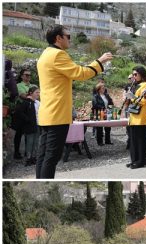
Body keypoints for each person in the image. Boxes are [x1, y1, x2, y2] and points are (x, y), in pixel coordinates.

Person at [36, 25, 112, 178]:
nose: (70, 39)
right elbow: (80, 73)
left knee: (43, 156)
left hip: (47, 114)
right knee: (52, 157)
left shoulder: (45, 54)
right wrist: (100, 62)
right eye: (68, 36)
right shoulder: (58, 55)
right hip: (57, 115)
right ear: (58, 38)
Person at [126, 66, 146, 169]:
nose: (134, 77)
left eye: (136, 74)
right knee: (133, 141)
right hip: (133, 117)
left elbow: (144, 101)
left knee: (140, 141)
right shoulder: (134, 85)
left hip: (141, 117)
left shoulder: (145, 85)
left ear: (141, 74)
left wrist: (133, 98)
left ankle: (140, 161)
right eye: (133, 75)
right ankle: (134, 160)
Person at [14, 86, 39, 167]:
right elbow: (19, 112)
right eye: (37, 92)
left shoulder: (38, 103)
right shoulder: (26, 102)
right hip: (29, 126)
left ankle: (34, 157)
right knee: (29, 142)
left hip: (38, 124)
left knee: (36, 141)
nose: (38, 94)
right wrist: (27, 119)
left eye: (39, 92)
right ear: (31, 93)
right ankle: (28, 158)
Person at [91, 81, 113, 146]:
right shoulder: (95, 96)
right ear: (99, 89)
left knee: (108, 127)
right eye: (102, 88)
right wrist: (104, 108)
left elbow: (111, 102)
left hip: (107, 113)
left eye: (104, 88)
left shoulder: (106, 95)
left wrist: (109, 108)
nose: (104, 89)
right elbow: (95, 105)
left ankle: (107, 141)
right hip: (99, 113)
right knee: (99, 128)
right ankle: (100, 142)